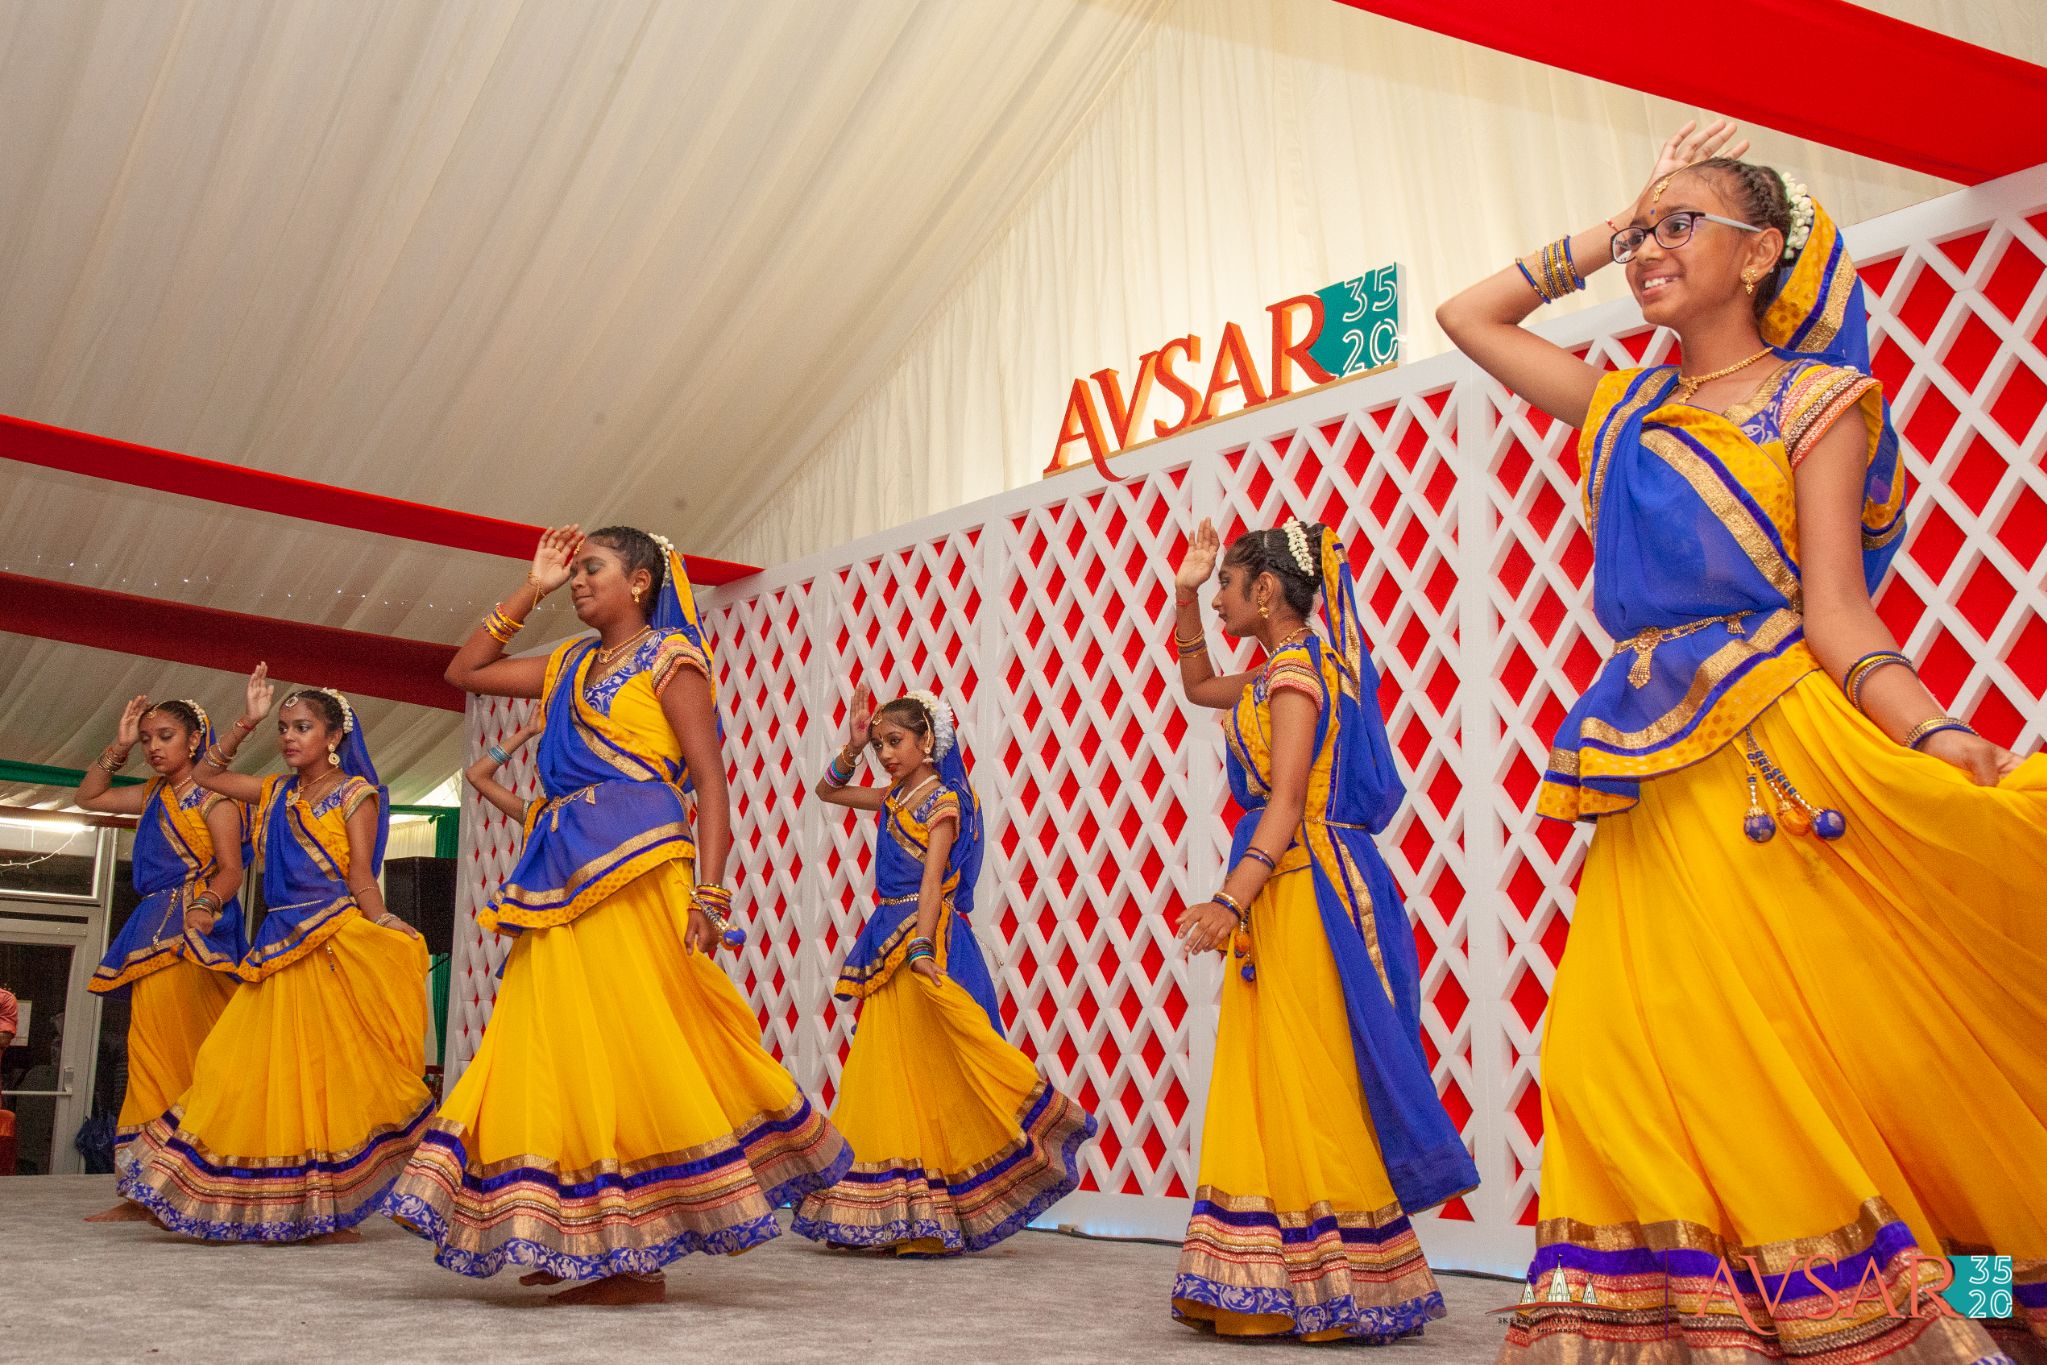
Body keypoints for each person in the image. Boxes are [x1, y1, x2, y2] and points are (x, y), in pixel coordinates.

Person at [1437, 119, 2047, 1362]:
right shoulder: (1619, 408)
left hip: (1781, 761)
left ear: (1761, 253)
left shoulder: (1821, 400)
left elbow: (1838, 609)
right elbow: (1469, 319)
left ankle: (1948, 1316)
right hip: (1646, 774)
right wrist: (1608, 230)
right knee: (1611, 1059)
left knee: (1834, 1075)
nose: (1647, 249)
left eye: (1679, 227)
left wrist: (1930, 729)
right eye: (1639, 231)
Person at [386, 525, 851, 1305]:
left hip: (637, 869)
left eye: (589, 567)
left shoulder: (672, 658)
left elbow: (710, 780)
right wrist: (528, 588)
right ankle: (590, 1233)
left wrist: (711, 894)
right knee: (560, 1046)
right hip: (560, 870)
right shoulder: (568, 660)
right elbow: (464, 669)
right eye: (571, 571)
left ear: (639, 581)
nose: (575, 580)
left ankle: (635, 1258)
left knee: (632, 1045)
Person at [1166, 518, 1478, 1342]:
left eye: (1230, 587)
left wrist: (1229, 899)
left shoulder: (1300, 676)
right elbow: (1198, 687)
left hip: (1307, 886)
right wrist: (1187, 591)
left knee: (1313, 1070)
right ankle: (1266, 1276)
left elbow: (1288, 800)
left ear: (1265, 590)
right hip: (1282, 882)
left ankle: (1346, 1278)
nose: (1225, 601)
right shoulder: (1272, 673)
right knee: (1273, 1067)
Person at [119, 669, 432, 1244]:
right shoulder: (275, 791)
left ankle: (334, 1207)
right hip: (275, 946)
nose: (289, 737)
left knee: (323, 1076)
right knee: (237, 1066)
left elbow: (361, 877)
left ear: (333, 736)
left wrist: (387, 924)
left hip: (330, 941)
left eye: (302, 727)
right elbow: (207, 774)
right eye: (285, 728)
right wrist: (247, 721)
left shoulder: (355, 794)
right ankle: (284, 1198)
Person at [793, 685, 1095, 1254]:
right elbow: (827, 789)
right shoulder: (891, 798)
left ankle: (928, 1209)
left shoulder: (943, 803)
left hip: (922, 940)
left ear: (928, 742)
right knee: (890, 1065)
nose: (886, 753)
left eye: (895, 741)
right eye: (882, 743)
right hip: (888, 939)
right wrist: (853, 745)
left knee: (932, 1066)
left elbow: (933, 881)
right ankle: (889, 1208)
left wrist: (924, 947)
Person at [73, 697, 248, 1216]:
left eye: (164, 736)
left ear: (195, 740)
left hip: (194, 930)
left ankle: (195, 1185)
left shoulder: (214, 799)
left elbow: (232, 871)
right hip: (151, 927)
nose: (153, 747)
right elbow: (89, 797)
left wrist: (203, 907)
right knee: (147, 1059)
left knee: (189, 1062)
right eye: (148, 738)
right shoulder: (154, 794)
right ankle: (142, 1189)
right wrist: (118, 747)